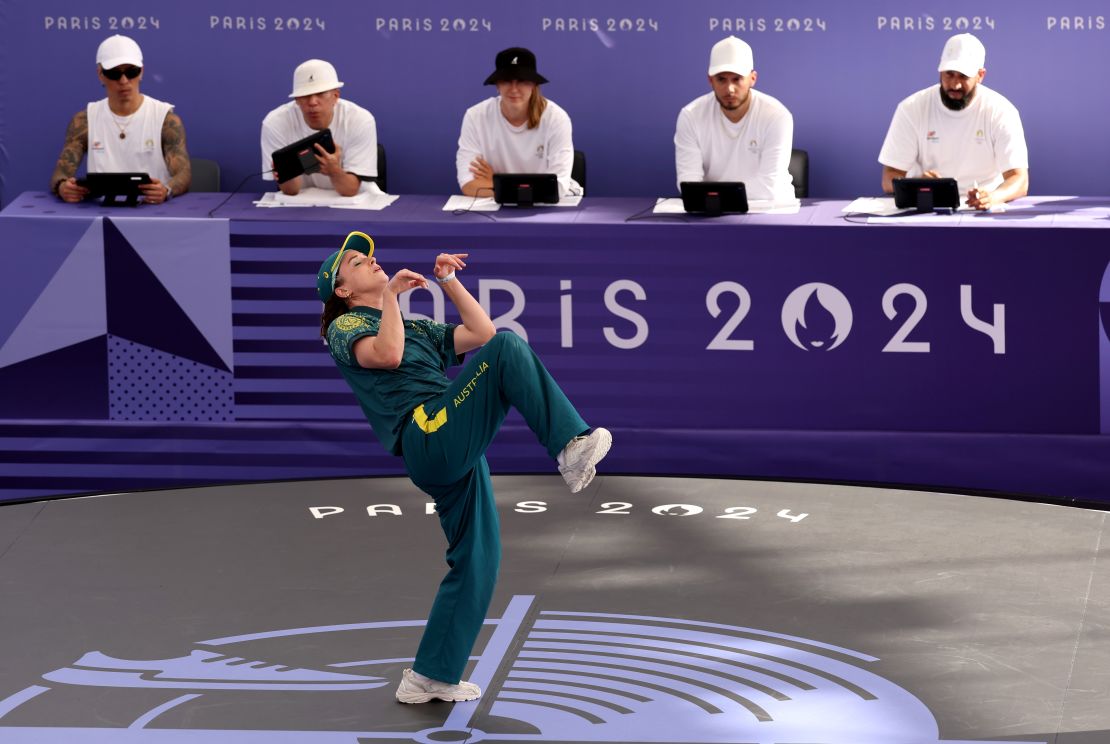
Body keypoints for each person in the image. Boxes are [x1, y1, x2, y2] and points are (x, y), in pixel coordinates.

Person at [317, 231, 611, 703]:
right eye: (356, 261)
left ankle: (431, 674)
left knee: (479, 560)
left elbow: (480, 334)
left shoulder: (414, 327)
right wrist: (391, 296)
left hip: (450, 439)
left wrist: (449, 282)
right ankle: (569, 446)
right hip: (427, 432)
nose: (371, 261)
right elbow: (388, 356)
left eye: (371, 256)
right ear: (343, 290)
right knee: (511, 350)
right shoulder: (345, 328)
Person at [878, 33, 1029, 211]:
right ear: (940, 71)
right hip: (928, 207)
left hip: (983, 210)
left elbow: (1019, 180)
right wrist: (917, 184)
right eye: (949, 74)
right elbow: (889, 177)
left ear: (980, 75)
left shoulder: (1001, 110)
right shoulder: (911, 108)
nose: (955, 85)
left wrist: (992, 197)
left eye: (963, 77)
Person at [50, 34, 190, 204]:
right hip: (99, 212)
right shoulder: (84, 120)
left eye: (131, 72)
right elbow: (61, 171)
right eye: (114, 73)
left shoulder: (165, 119)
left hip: (152, 209)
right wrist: (63, 187)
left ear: (141, 72)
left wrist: (166, 189)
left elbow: (183, 172)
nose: (124, 81)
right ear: (100, 74)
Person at [674, 36, 796, 203]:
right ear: (711, 80)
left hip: (770, 211)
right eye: (721, 79)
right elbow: (688, 182)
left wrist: (714, 197)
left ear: (752, 79)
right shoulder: (691, 115)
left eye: (737, 79)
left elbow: (769, 186)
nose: (729, 89)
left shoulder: (776, 115)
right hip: (712, 212)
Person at [456, 47, 581, 197]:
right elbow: (469, 184)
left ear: (534, 85)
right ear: (497, 85)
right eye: (507, 81)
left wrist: (496, 183)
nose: (514, 89)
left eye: (522, 81)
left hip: (549, 209)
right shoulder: (475, 116)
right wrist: (517, 189)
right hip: (497, 209)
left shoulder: (557, 118)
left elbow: (557, 187)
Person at [261, 59, 377, 196]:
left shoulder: (360, 120)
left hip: (354, 202)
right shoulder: (275, 123)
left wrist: (335, 171)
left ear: (336, 96)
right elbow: (290, 191)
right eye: (305, 96)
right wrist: (286, 171)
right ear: (296, 100)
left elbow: (350, 190)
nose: (312, 102)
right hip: (302, 203)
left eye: (321, 94)